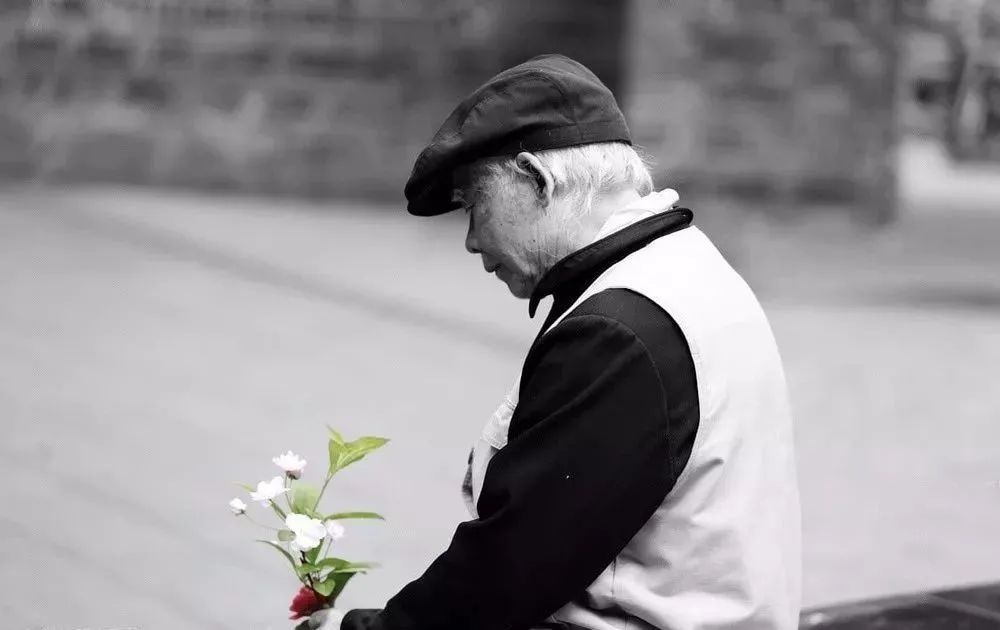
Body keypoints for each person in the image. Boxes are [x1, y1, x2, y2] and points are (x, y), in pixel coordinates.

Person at [307, 54, 801, 630]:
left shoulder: (618, 330)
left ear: (536, 181)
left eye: (474, 203)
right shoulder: (684, 263)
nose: (470, 241)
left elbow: (509, 573)